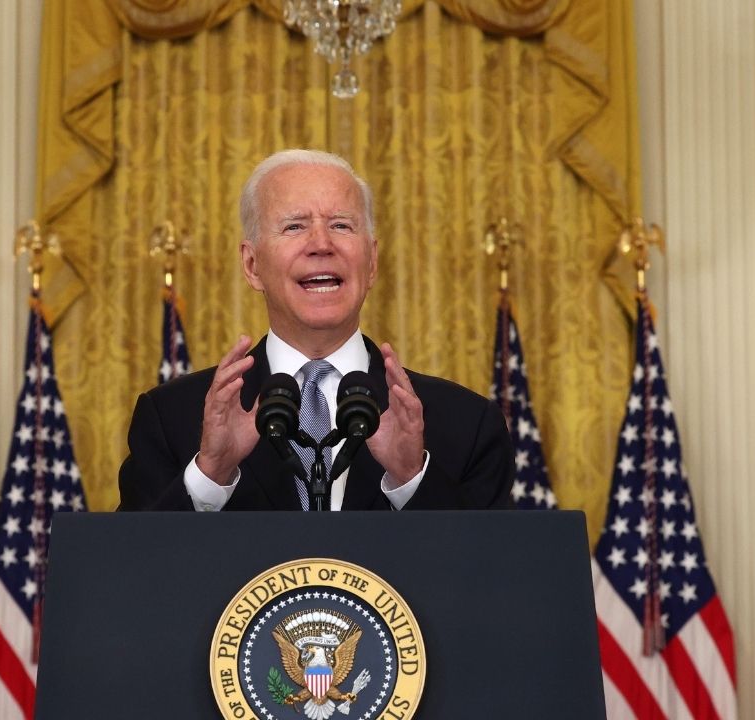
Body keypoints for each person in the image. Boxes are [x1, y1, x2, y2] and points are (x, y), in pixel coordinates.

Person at [118, 149, 512, 511]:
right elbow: (132, 574)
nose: (321, 244)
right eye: (294, 227)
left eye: (341, 225)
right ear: (253, 265)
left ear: (371, 262)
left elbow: (492, 577)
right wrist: (210, 475)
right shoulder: (172, 420)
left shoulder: (466, 423)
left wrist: (412, 480)